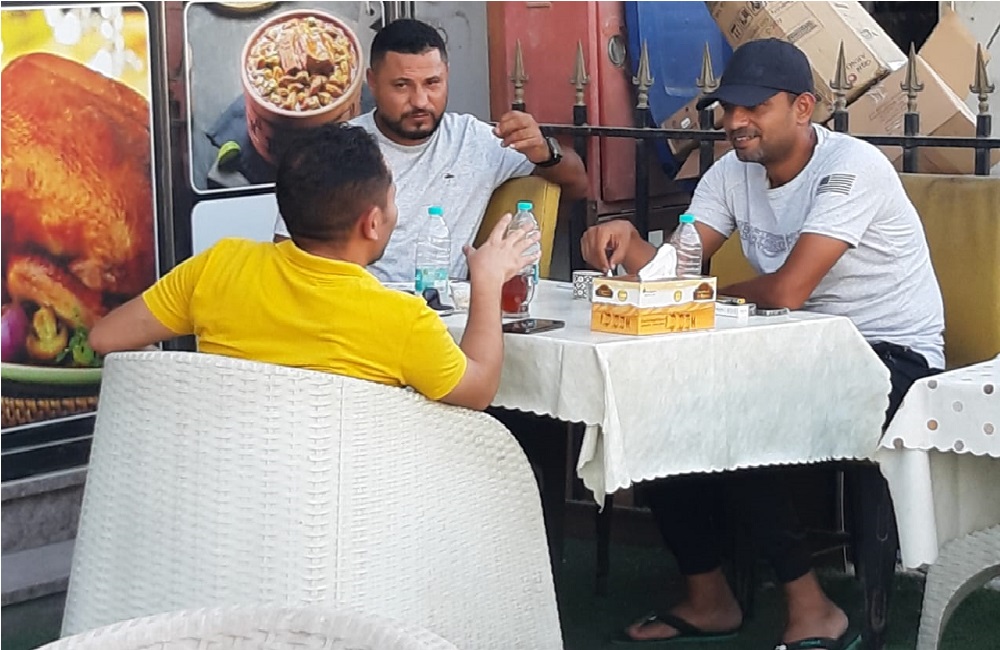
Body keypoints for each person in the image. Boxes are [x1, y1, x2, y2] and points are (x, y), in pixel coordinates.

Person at [582, 38, 944, 649]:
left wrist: (698, 296)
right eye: (729, 108)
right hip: (791, 351)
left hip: (888, 356)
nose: (735, 122)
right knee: (656, 401)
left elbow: (788, 291)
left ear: (803, 107)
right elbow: (675, 269)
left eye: (755, 107)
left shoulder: (851, 169)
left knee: (741, 414)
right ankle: (708, 597)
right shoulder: (731, 172)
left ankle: (813, 609)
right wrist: (624, 239)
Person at [89, 123, 539, 411]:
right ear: (373, 223)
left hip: (226, 496)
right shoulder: (402, 321)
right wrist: (486, 281)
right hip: (347, 505)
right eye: (392, 199)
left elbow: (106, 338)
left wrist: (182, 391)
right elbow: (479, 390)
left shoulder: (217, 267)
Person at [273, 18, 589, 282]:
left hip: (442, 315)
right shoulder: (338, 150)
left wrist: (544, 150)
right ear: (372, 82)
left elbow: (577, 182)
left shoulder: (473, 140)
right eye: (402, 85)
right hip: (354, 309)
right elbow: (286, 253)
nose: (420, 101)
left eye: (432, 83)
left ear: (447, 75)